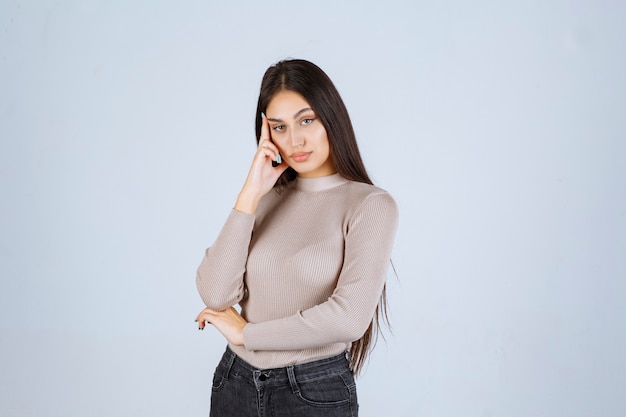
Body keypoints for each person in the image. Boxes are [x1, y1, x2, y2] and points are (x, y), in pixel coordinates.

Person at [195, 58, 398, 417]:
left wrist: (248, 335)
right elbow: (215, 293)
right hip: (235, 383)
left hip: (311, 390)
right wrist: (249, 194)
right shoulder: (266, 199)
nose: (295, 140)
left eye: (307, 120)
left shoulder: (369, 205)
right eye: (279, 127)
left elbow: (349, 318)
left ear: (331, 118)